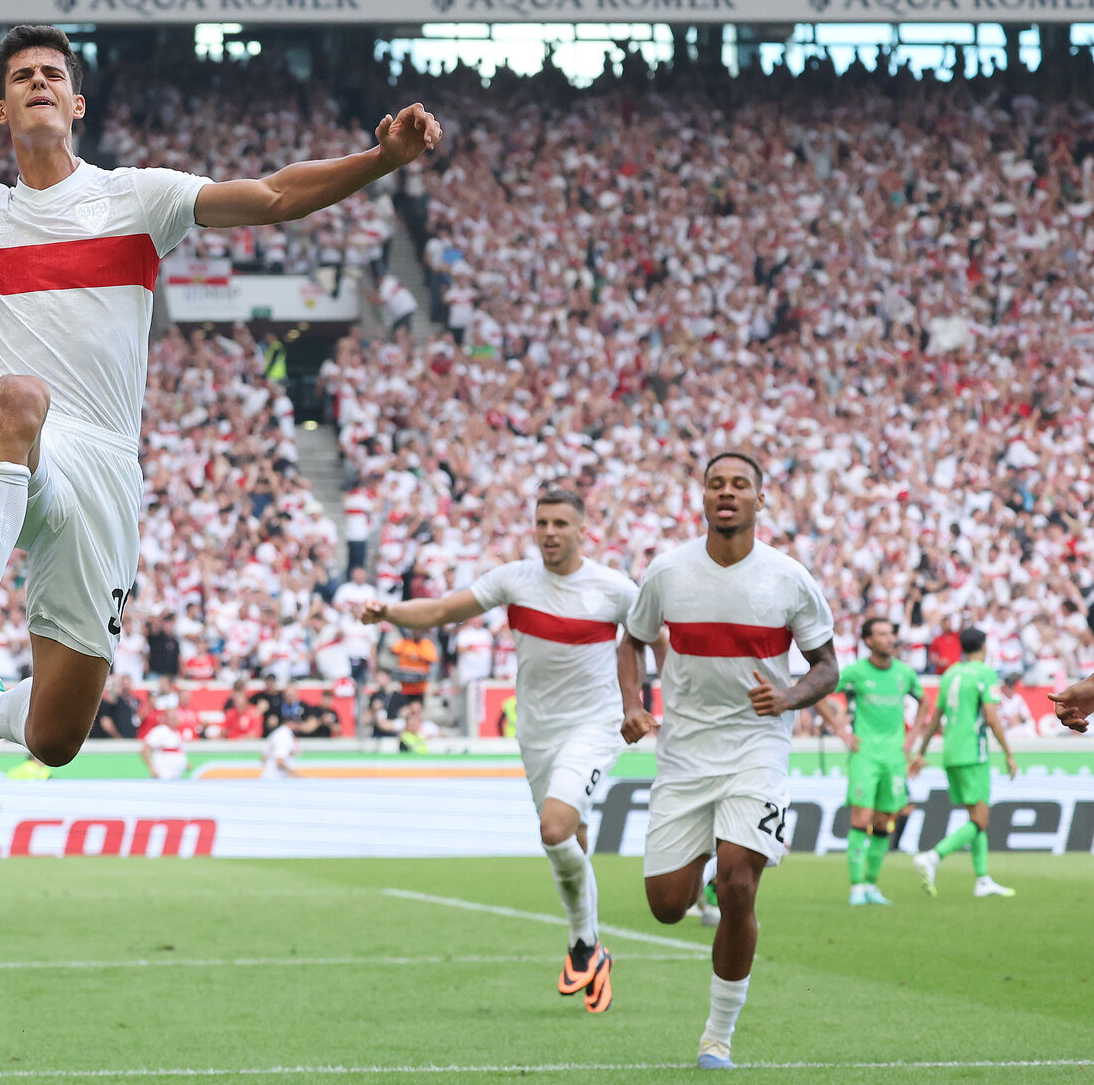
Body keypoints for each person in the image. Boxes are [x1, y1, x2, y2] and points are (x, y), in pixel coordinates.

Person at [0, 25, 441, 791]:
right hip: (13, 442)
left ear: (76, 103)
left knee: (57, 735)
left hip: (104, 467)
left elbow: (272, 196)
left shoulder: (137, 198)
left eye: (52, 74)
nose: (38, 82)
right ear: (1, 110)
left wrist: (380, 161)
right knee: (19, 393)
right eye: (21, 77)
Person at [361, 486, 639, 1014]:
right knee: (569, 838)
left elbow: (652, 637)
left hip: (594, 725)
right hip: (536, 731)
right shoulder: (516, 579)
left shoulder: (614, 589)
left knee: (554, 828)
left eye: (560, 523)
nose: (549, 532)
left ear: (583, 531)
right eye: (542, 522)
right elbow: (443, 609)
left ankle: (583, 944)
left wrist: (640, 703)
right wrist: (389, 612)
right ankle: (592, 948)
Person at [617, 452, 838, 1071]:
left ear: (759, 500)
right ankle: (713, 855)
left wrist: (789, 696)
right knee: (667, 906)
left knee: (739, 885)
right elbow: (632, 641)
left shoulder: (788, 578)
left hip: (756, 747)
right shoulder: (668, 572)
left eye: (740, 485)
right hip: (684, 752)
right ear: (703, 497)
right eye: (716, 484)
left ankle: (718, 1037)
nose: (727, 493)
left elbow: (827, 667)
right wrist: (632, 704)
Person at [813, 617, 921, 906]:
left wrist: (912, 738)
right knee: (861, 819)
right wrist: (840, 729)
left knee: (885, 821)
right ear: (868, 641)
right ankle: (856, 886)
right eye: (882, 634)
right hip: (865, 755)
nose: (889, 638)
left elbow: (925, 703)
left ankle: (871, 884)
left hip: (894, 758)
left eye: (891, 633)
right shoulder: (856, 672)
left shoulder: (904, 673)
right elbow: (817, 691)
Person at [908, 627, 1019, 899]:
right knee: (981, 818)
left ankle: (982, 880)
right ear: (984, 646)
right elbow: (991, 718)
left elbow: (936, 717)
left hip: (951, 753)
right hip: (973, 753)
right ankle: (933, 856)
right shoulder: (985, 673)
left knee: (975, 816)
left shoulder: (950, 674)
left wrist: (921, 752)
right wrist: (1008, 753)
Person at [139, 708, 187, 781]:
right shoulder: (160, 731)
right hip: (163, 773)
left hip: (176, 775)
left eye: (175, 718)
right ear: (165, 719)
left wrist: (185, 764)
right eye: (171, 719)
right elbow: (144, 750)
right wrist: (152, 768)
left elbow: (178, 751)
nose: (174, 721)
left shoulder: (177, 732)